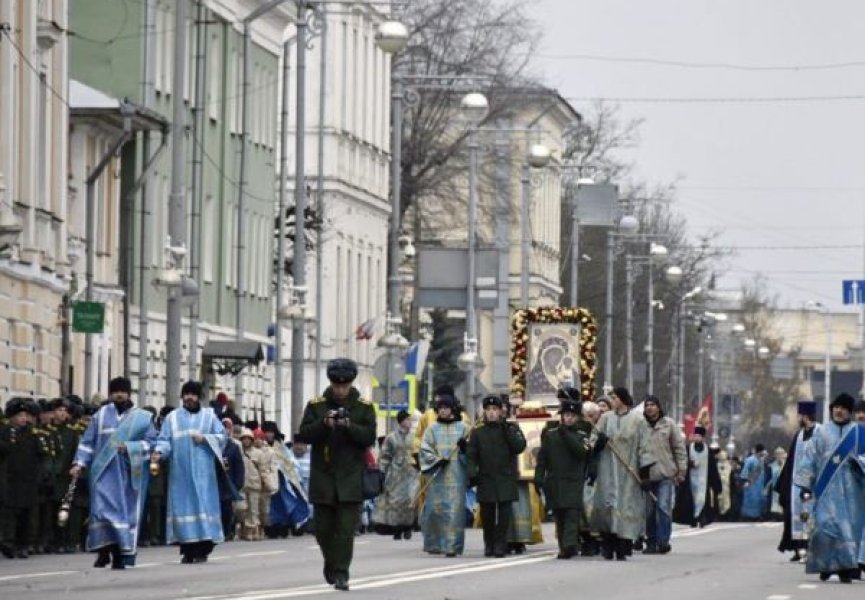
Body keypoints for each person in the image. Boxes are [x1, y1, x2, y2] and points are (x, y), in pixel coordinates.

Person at [296, 358, 376, 592]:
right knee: (323, 530)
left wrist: (349, 425)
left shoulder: (363, 407)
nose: (341, 390)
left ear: (351, 383)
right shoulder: (316, 405)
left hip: (350, 479)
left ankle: (341, 573)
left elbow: (369, 437)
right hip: (323, 478)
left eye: (345, 385)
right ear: (331, 383)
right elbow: (305, 434)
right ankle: (331, 562)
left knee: (345, 530)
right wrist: (325, 423)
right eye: (337, 385)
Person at [70, 377, 156, 569]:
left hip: (128, 476)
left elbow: (151, 444)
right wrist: (79, 463)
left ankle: (119, 554)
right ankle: (103, 551)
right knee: (101, 514)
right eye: (115, 391)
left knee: (121, 516)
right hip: (102, 474)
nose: (119, 394)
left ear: (128, 393)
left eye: (122, 391)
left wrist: (130, 447)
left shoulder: (141, 418)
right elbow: (87, 442)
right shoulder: (100, 415)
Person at [152, 380, 227, 564]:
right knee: (183, 511)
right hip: (181, 475)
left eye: (193, 394)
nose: (189, 398)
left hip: (204, 477)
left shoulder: (209, 416)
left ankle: (203, 549)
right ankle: (187, 549)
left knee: (204, 510)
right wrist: (159, 452)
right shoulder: (172, 418)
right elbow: (164, 440)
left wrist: (205, 438)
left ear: (199, 397)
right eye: (186, 394)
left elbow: (222, 437)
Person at [794, 393, 865, 583]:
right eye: (836, 407)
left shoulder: (859, 433)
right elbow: (810, 458)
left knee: (848, 530)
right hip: (826, 490)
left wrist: (859, 464)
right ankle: (825, 565)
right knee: (824, 528)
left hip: (853, 492)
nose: (838, 411)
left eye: (843, 408)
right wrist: (805, 485)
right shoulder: (822, 432)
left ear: (849, 412)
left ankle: (845, 568)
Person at [590, 386, 655, 561]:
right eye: (611, 398)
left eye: (615, 398)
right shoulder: (605, 418)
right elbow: (592, 441)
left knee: (627, 507)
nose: (612, 401)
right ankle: (608, 544)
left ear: (623, 399)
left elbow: (645, 446)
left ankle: (623, 545)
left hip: (629, 471)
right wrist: (600, 443)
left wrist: (645, 473)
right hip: (608, 470)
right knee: (608, 504)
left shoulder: (638, 420)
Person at [466, 395, 526, 558]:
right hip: (486, 478)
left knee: (505, 515)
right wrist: (472, 474)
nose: (492, 413)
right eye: (488, 410)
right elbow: (471, 456)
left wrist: (507, 429)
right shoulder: (478, 433)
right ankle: (489, 543)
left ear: (501, 411)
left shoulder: (509, 428)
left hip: (505, 477)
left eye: (495, 410)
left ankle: (501, 544)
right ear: (484, 412)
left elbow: (519, 446)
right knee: (488, 515)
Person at [534, 396, 592, 559]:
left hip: (573, 481)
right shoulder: (551, 435)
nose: (569, 418)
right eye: (566, 415)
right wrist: (538, 476)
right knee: (559, 514)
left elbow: (582, 453)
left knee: (572, 514)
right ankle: (564, 545)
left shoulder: (583, 435)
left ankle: (569, 545)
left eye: (572, 416)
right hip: (555, 480)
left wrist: (566, 435)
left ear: (578, 417)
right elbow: (542, 458)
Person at [419, 391, 470, 558]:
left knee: (455, 512)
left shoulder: (463, 428)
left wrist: (464, 449)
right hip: (437, 477)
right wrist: (436, 460)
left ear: (452, 409)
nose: (442, 411)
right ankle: (434, 544)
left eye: (446, 407)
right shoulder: (431, 429)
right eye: (440, 408)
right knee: (434, 511)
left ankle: (452, 546)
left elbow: (472, 453)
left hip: (457, 477)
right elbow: (424, 449)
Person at [642, 395, 687, 554]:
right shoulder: (640, 425)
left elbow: (679, 449)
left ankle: (663, 541)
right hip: (645, 475)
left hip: (665, 474)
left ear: (659, 407)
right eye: (647, 405)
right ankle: (651, 541)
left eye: (653, 404)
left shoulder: (669, 424)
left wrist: (681, 470)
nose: (649, 408)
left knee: (663, 508)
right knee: (648, 511)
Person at [775, 400, 820, 562]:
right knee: (796, 517)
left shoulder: (820, 432)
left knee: (811, 517)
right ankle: (798, 548)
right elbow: (791, 461)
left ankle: (811, 549)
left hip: (814, 484)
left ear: (806, 416)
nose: (798, 418)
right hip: (796, 485)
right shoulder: (799, 435)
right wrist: (784, 485)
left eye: (800, 415)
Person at [0, 398, 44, 559]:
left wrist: (39, 475)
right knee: (9, 513)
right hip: (8, 479)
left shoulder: (33, 434)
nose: (23, 418)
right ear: (11, 417)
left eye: (25, 415)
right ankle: (8, 542)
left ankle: (23, 544)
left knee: (26, 514)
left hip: (28, 479)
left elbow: (41, 455)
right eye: (19, 415)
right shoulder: (4, 431)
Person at [373, 410, 419, 540]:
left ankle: (408, 526)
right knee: (396, 501)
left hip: (411, 472)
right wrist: (382, 471)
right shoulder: (391, 438)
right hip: (396, 474)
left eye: (411, 420)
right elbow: (385, 456)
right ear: (401, 421)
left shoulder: (415, 437)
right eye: (407, 420)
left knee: (411, 499)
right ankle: (397, 528)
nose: (410, 422)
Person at [263, 421, 311, 538]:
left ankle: (283, 525)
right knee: (267, 505)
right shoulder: (261, 445)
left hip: (282, 480)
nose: (269, 435)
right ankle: (270, 527)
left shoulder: (280, 446)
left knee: (284, 502)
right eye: (267, 432)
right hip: (266, 479)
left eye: (271, 432)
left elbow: (289, 462)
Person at [673, 425, 722, 529]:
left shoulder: (708, 451)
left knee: (702, 500)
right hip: (690, 481)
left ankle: (701, 518)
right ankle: (693, 519)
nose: (697, 438)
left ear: (703, 438)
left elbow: (713, 469)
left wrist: (716, 485)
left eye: (699, 436)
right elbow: (681, 462)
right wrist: (689, 464)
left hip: (704, 482)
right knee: (690, 501)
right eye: (695, 436)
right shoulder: (688, 449)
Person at [239, 428, 268, 540]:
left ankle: (254, 530)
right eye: (244, 439)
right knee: (241, 508)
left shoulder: (258, 453)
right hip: (242, 484)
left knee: (254, 509)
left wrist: (265, 482)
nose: (246, 441)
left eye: (248, 438)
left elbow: (263, 469)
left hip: (255, 484)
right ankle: (246, 527)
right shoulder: (239, 452)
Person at [738, 444, 768, 521]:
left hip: (759, 484)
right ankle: (748, 516)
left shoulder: (761, 460)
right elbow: (745, 471)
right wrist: (745, 481)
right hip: (751, 483)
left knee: (758, 499)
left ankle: (757, 515)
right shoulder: (750, 460)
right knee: (751, 499)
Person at [766, 447, 787, 521]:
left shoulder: (787, 465)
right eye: (778, 454)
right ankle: (774, 516)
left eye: (781, 454)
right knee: (774, 502)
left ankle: (783, 516)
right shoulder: (771, 466)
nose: (779, 456)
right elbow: (768, 477)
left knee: (782, 501)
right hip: (774, 486)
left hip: (784, 487)